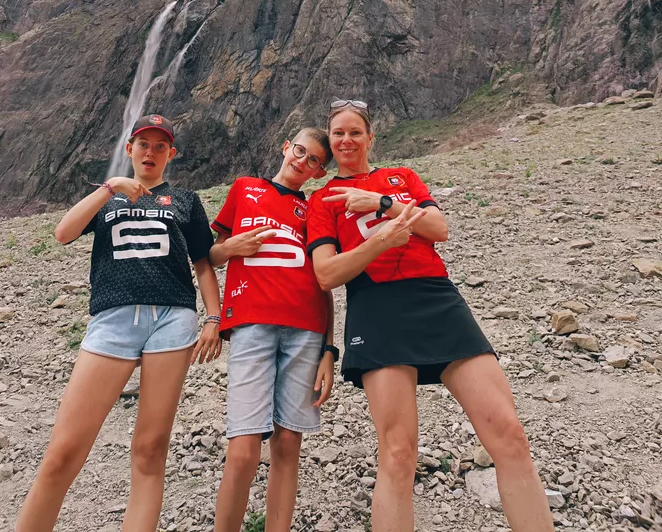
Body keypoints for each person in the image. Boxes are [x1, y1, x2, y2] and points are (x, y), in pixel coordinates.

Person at [307, 100, 554, 532]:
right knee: (399, 454)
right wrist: (381, 242)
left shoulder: (401, 178)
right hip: (375, 306)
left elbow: (439, 228)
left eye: (355, 132)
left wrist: (380, 203)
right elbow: (326, 274)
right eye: (338, 134)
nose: (346, 140)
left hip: (436, 297)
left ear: (370, 138)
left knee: (509, 435)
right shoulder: (323, 200)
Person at [16, 114, 222, 532]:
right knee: (64, 450)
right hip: (112, 318)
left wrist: (214, 319)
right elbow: (62, 232)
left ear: (170, 154)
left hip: (172, 319)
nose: (150, 152)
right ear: (129, 149)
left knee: (150, 450)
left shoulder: (185, 200)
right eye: (143, 144)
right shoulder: (106, 198)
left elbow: (203, 262)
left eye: (159, 146)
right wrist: (110, 187)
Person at [210, 128, 338, 532]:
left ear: (318, 172)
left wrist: (329, 351)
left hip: (306, 332)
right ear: (286, 147)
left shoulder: (315, 207)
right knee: (243, 450)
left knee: (287, 445)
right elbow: (210, 255)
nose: (302, 161)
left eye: (314, 160)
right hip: (251, 328)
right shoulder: (244, 188)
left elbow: (325, 278)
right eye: (300, 151)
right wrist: (231, 250)